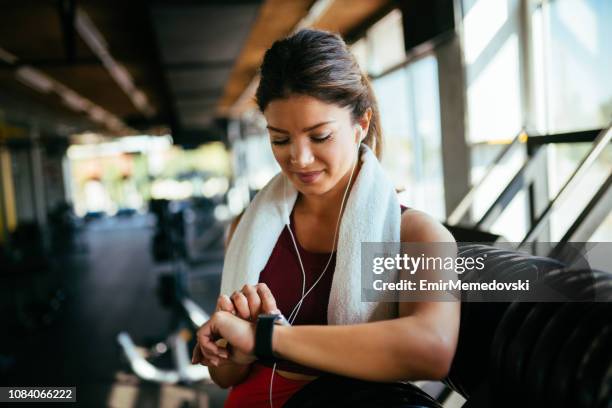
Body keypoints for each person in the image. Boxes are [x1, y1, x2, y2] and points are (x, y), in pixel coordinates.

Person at [191, 29, 460, 407]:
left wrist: (268, 339)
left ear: (360, 125)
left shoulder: (417, 234)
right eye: (280, 139)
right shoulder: (247, 228)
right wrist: (232, 349)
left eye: (319, 136)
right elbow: (223, 377)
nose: (298, 159)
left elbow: (432, 349)